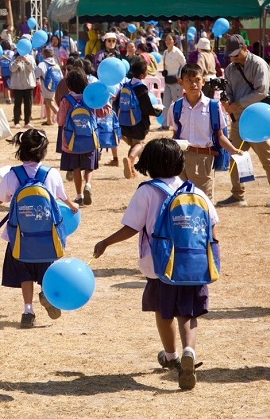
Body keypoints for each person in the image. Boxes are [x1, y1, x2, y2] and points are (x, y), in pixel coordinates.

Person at [94, 139, 220, 391]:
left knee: (164, 311)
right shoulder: (194, 191)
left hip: (160, 265)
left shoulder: (147, 192)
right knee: (188, 312)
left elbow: (132, 227)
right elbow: (212, 227)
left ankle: (171, 357)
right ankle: (189, 351)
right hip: (192, 264)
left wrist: (105, 242)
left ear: (148, 164)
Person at [0, 129, 78, 327]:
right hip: (47, 236)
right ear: (43, 151)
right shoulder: (51, 174)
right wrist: (72, 205)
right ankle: (47, 294)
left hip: (20, 236)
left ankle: (28, 310)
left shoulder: (11, 175)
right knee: (46, 270)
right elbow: (62, 196)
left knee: (24, 273)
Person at [218, 35, 270, 208]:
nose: (233, 58)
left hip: (256, 119)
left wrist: (238, 104)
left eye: (236, 54)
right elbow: (229, 90)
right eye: (230, 55)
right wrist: (228, 101)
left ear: (245, 48)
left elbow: (262, 91)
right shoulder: (230, 69)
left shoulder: (259, 64)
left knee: (266, 158)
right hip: (238, 120)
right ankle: (237, 195)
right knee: (234, 157)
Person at [168, 63, 243, 200]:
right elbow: (175, 134)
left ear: (203, 81)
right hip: (180, 158)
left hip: (203, 159)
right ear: (181, 82)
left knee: (203, 201)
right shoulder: (175, 107)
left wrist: (233, 150)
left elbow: (219, 135)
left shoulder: (213, 106)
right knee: (180, 200)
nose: (193, 84)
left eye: (197, 80)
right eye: (188, 80)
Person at [57, 68, 110, 205]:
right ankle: (88, 185)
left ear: (69, 84)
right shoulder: (90, 98)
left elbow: (60, 121)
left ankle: (79, 195)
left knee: (76, 168)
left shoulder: (66, 100)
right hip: (90, 139)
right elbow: (103, 113)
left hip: (72, 141)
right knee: (89, 166)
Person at [115, 58, 162, 179]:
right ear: (142, 75)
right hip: (138, 121)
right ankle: (130, 160)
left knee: (134, 144)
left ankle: (132, 170)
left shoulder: (126, 85)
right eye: (146, 70)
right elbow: (146, 106)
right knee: (139, 143)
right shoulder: (140, 88)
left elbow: (117, 102)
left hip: (125, 121)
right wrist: (157, 112)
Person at [161, 34, 186, 129]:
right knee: (165, 103)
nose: (167, 41)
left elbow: (184, 64)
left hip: (176, 82)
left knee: (177, 103)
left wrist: (179, 76)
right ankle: (165, 124)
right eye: (166, 40)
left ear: (174, 41)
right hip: (167, 80)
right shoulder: (165, 52)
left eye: (170, 39)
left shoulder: (177, 52)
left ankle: (180, 123)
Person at [9, 45, 37, 129]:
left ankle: (27, 121)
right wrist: (17, 61)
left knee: (28, 104)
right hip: (17, 85)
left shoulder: (30, 57)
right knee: (17, 104)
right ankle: (16, 122)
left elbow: (32, 68)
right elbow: (12, 69)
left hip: (28, 85)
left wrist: (26, 61)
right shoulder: (14, 57)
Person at [35, 48, 62, 127]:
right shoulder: (56, 64)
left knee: (49, 102)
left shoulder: (42, 64)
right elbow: (61, 76)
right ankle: (49, 120)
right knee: (47, 102)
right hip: (55, 85)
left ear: (44, 55)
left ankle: (63, 117)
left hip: (46, 86)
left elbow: (36, 74)